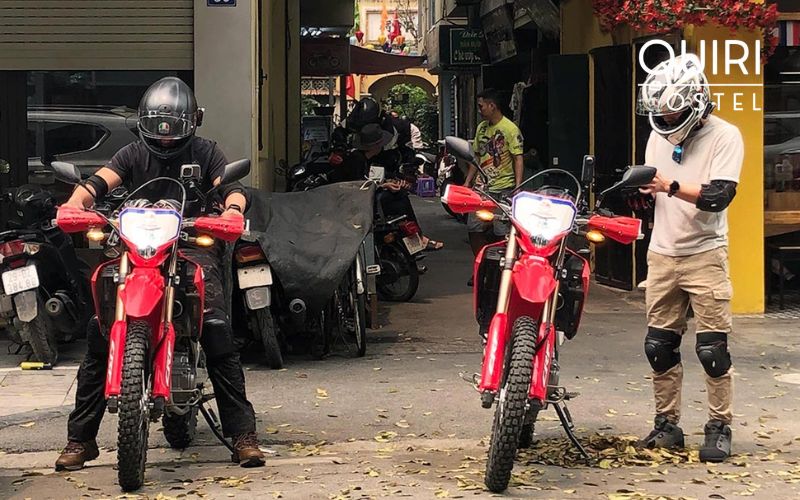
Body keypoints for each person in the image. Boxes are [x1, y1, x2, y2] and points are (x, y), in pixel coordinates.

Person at [55, 77, 266, 471]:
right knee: (98, 335)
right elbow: (95, 184)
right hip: (134, 249)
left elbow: (230, 188)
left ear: (193, 121)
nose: (166, 140)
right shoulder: (131, 153)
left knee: (216, 328)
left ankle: (243, 435)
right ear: (144, 124)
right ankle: (80, 440)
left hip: (188, 242)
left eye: (174, 131)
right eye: (158, 130)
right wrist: (74, 204)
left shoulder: (206, 151)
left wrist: (232, 210)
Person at [634, 54, 742, 463]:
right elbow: (653, 185)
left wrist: (670, 184)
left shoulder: (725, 135)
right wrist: (643, 192)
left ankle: (719, 426)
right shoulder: (659, 135)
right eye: (660, 110)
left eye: (672, 109)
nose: (665, 117)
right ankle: (667, 425)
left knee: (713, 350)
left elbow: (719, 196)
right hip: (662, 252)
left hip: (705, 253)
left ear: (695, 101)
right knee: (659, 346)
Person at [464, 88, 524, 260]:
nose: (479, 110)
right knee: (473, 228)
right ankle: (480, 263)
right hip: (482, 189)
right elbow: (476, 155)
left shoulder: (510, 129)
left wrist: (517, 187)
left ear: (492, 105)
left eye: (481, 106)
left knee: (501, 231)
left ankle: (502, 265)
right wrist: (468, 182)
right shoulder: (481, 128)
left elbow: (517, 158)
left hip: (504, 188)